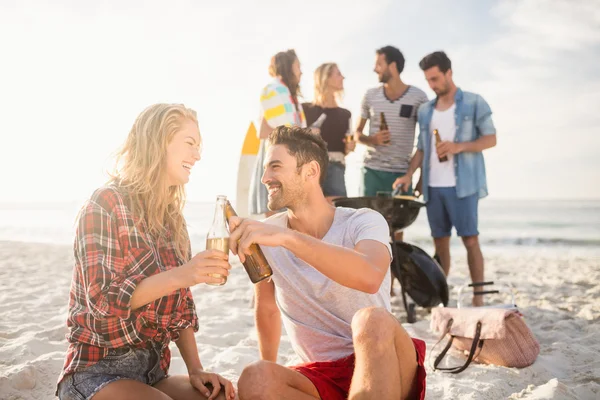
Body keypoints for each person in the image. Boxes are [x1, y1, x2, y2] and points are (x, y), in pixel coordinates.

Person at [230, 126, 426, 400]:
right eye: (265, 168)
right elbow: (267, 307)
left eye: (275, 166)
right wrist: (270, 367)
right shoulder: (267, 236)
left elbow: (369, 276)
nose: (265, 178)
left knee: (372, 320)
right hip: (321, 376)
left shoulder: (363, 221)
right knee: (256, 376)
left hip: (385, 362)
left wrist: (289, 238)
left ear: (310, 171)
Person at [57, 104, 235, 400]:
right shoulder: (104, 205)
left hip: (152, 373)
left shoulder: (171, 220)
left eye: (199, 147)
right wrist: (182, 274)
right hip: (96, 371)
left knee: (222, 397)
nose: (198, 155)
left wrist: (196, 370)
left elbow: (181, 310)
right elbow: (103, 300)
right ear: (157, 143)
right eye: (189, 144)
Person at [393, 51, 497, 307]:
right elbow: (421, 148)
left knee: (470, 240)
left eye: (436, 78)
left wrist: (458, 147)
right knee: (440, 243)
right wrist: (409, 174)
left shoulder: (474, 102)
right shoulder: (426, 110)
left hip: (463, 186)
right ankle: (440, 295)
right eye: (428, 80)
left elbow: (491, 139)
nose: (432, 85)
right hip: (433, 187)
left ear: (449, 73)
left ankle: (479, 297)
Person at [355, 46, 428, 199]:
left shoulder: (419, 97)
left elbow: (425, 141)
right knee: (368, 222)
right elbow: (357, 134)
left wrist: (421, 178)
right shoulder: (370, 95)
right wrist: (372, 140)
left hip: (402, 174)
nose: (375, 69)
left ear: (392, 66)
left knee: (397, 223)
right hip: (371, 172)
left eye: (379, 64)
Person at [249, 49, 307, 217]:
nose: (301, 71)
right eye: (298, 66)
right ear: (288, 67)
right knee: (275, 210)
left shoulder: (288, 94)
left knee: (285, 214)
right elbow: (279, 129)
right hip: (276, 156)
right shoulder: (275, 90)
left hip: (286, 156)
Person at [302, 63, 355, 203]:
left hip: (336, 169)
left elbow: (345, 149)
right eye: (338, 74)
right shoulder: (305, 110)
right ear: (325, 78)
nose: (343, 77)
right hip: (308, 170)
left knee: (337, 215)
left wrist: (349, 147)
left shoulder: (346, 114)